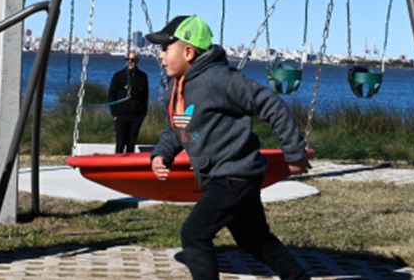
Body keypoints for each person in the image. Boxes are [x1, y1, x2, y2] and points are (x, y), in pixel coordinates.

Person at [148, 15, 311, 280]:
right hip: (216, 178)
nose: (161, 55)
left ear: (188, 51)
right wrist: (161, 155)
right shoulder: (174, 89)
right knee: (254, 240)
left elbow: (271, 104)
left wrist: (294, 153)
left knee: (194, 235)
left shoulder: (220, 80)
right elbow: (177, 129)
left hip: (236, 174)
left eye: (166, 48)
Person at [107, 51, 150, 153]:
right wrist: (114, 114)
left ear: (137, 61)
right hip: (121, 115)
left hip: (136, 116)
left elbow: (145, 96)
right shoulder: (118, 76)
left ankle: (129, 166)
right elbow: (111, 95)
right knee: (120, 142)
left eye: (133, 60)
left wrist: (143, 113)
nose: (130, 62)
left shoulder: (143, 76)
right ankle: (117, 166)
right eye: (128, 60)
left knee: (131, 144)